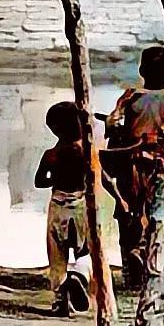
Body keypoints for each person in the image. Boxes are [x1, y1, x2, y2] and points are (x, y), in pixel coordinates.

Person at [103, 45, 164, 291]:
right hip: (162, 168)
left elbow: (112, 125)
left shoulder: (131, 97)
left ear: (141, 70)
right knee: (160, 217)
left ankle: (132, 275)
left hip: (131, 166)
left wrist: (116, 118)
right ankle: (151, 271)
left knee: (128, 216)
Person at [35, 101, 92, 314]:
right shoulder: (85, 152)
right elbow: (99, 177)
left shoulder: (51, 154)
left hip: (57, 206)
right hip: (80, 205)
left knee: (57, 255)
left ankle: (60, 301)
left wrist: (55, 178)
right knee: (85, 249)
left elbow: (39, 181)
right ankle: (79, 276)